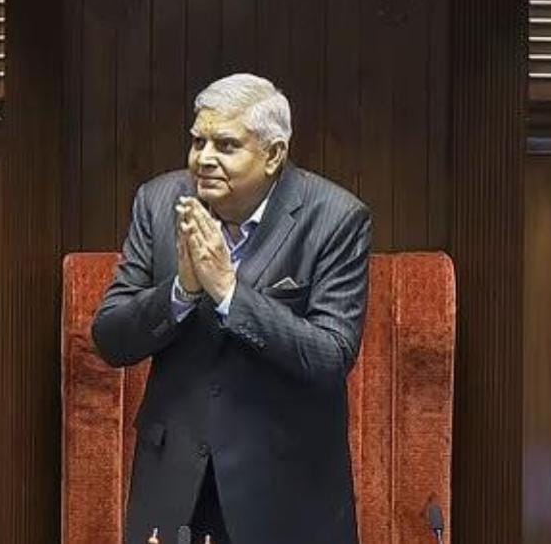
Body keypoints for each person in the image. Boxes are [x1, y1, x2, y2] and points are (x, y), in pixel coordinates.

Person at [92, 73, 371, 544]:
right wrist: (182, 290)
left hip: (285, 488)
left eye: (226, 145)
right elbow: (110, 339)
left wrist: (228, 291)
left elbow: (330, 356)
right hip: (175, 480)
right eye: (197, 141)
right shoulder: (159, 203)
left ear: (273, 154)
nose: (204, 158)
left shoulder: (335, 218)